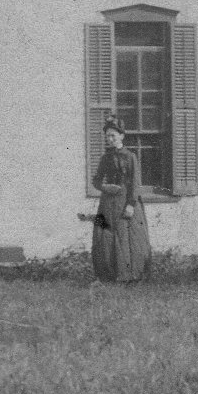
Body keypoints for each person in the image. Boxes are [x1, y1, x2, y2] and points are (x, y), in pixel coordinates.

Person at [85, 117, 151, 282]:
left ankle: (130, 275)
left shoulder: (130, 157)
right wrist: (105, 188)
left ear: (122, 136)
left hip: (126, 201)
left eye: (113, 135)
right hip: (107, 203)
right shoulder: (105, 158)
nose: (110, 139)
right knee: (105, 235)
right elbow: (96, 181)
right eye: (108, 136)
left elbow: (135, 183)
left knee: (127, 236)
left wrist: (131, 205)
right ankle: (109, 275)